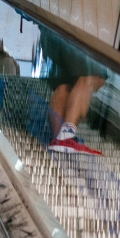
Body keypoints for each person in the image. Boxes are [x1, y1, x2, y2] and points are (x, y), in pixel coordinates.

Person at [38, 26, 104, 155]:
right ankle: (66, 137)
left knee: (66, 84)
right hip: (75, 35)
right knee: (92, 76)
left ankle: (58, 138)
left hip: (51, 33)